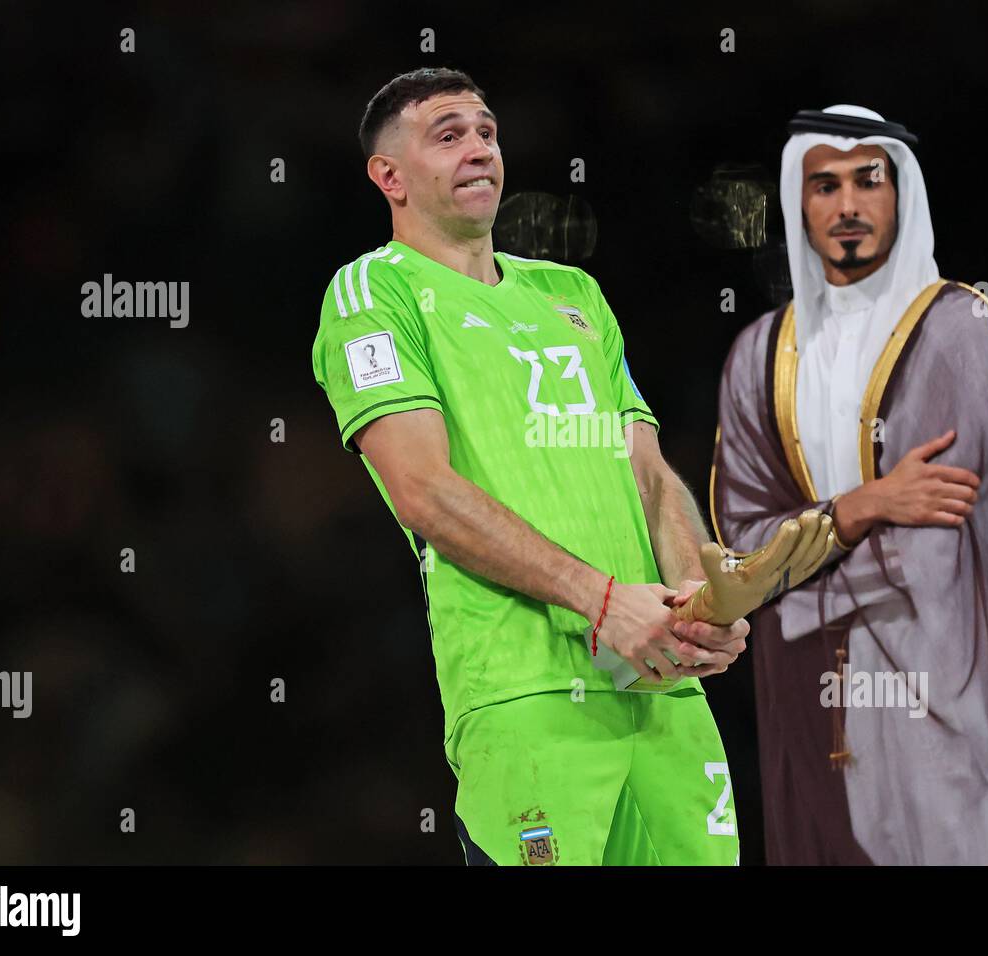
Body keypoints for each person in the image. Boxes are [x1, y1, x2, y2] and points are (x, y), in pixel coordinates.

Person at [311, 67, 749, 865]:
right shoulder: (372, 293)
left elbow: (649, 473)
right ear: (389, 176)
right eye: (449, 135)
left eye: (487, 132)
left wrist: (697, 599)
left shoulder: (572, 291)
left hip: (662, 690)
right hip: (524, 695)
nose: (479, 149)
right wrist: (602, 600)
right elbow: (422, 491)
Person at [710, 104, 988, 864]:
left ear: (899, 193)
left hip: (940, 674)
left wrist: (801, 579)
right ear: (798, 202)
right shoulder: (757, 356)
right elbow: (737, 550)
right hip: (808, 690)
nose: (847, 206)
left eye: (866, 181)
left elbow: (934, 540)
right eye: (824, 186)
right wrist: (864, 505)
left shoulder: (957, 325)